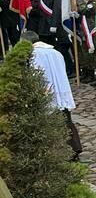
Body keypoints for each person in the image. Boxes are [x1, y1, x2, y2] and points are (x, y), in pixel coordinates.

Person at [22, 30, 81, 159]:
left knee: (52, 124)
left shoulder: (33, 55)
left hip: (47, 92)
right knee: (66, 120)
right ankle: (75, 148)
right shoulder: (55, 52)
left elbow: (36, 73)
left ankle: (62, 153)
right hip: (61, 91)